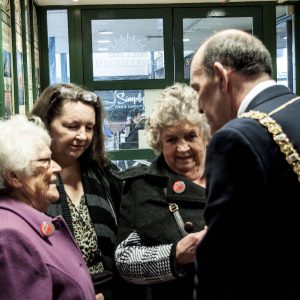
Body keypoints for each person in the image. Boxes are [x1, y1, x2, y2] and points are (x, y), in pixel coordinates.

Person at [190, 29, 300, 299]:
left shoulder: (237, 138)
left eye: (198, 89)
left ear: (221, 76)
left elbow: (221, 268)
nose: (199, 107)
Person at [115, 83, 210, 300]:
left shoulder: (233, 176)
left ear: (205, 135)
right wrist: (176, 254)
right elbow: (125, 260)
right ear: (160, 143)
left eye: (190, 136)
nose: (182, 148)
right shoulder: (143, 185)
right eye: (172, 139)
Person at [30, 83, 122, 300]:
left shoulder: (104, 174)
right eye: (72, 126)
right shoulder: (28, 180)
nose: (83, 136)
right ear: (46, 125)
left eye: (89, 128)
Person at [0, 115, 95, 299]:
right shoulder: (10, 237)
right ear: (14, 176)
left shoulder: (23, 224)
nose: (57, 167)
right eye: (45, 161)